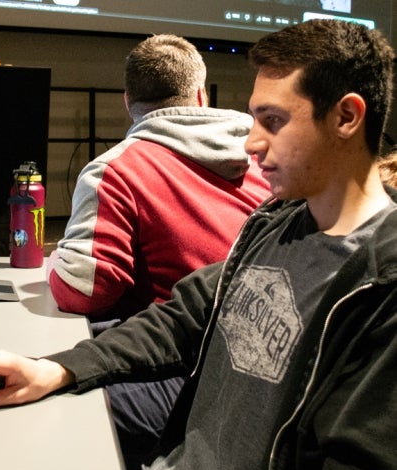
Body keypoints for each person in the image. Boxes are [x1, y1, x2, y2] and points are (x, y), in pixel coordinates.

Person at [0, 19, 397, 470]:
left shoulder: (382, 282)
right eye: (254, 119)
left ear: (346, 117)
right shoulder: (275, 223)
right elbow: (180, 319)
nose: (252, 142)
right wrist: (59, 368)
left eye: (274, 121)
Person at [47, 34, 269, 325]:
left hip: (177, 355)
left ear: (128, 102)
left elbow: (85, 291)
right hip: (265, 338)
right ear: (201, 96)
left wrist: (54, 265)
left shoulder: (114, 172)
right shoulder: (266, 159)